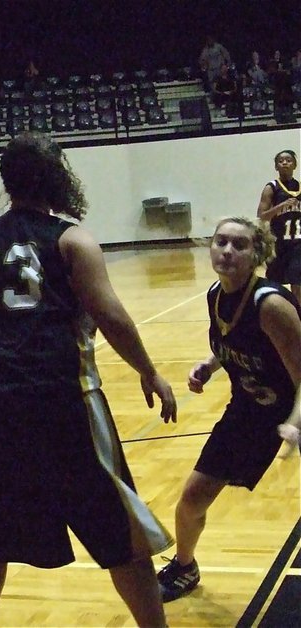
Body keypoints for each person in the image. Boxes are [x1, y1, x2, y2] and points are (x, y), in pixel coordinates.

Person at [0, 133, 177, 628]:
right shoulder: (71, 238)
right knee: (121, 531)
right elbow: (111, 315)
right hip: (61, 400)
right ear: (57, 178)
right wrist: (149, 371)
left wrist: (3, 367)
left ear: (6, 183)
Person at [157, 217, 301, 602]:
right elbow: (233, 340)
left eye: (240, 245)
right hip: (248, 412)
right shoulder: (215, 295)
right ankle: (185, 567)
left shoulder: (270, 305)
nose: (227, 251)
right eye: (221, 242)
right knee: (191, 499)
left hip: (290, 412)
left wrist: (294, 424)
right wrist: (209, 364)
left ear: (258, 254)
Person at [257, 149, 301, 301]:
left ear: (295, 165)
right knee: (274, 285)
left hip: (297, 244)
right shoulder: (271, 187)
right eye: (281, 161)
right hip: (277, 244)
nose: (285, 163)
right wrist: (280, 206)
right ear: (276, 166)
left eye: (288, 160)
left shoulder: (300, 187)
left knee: (298, 283)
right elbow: (261, 217)